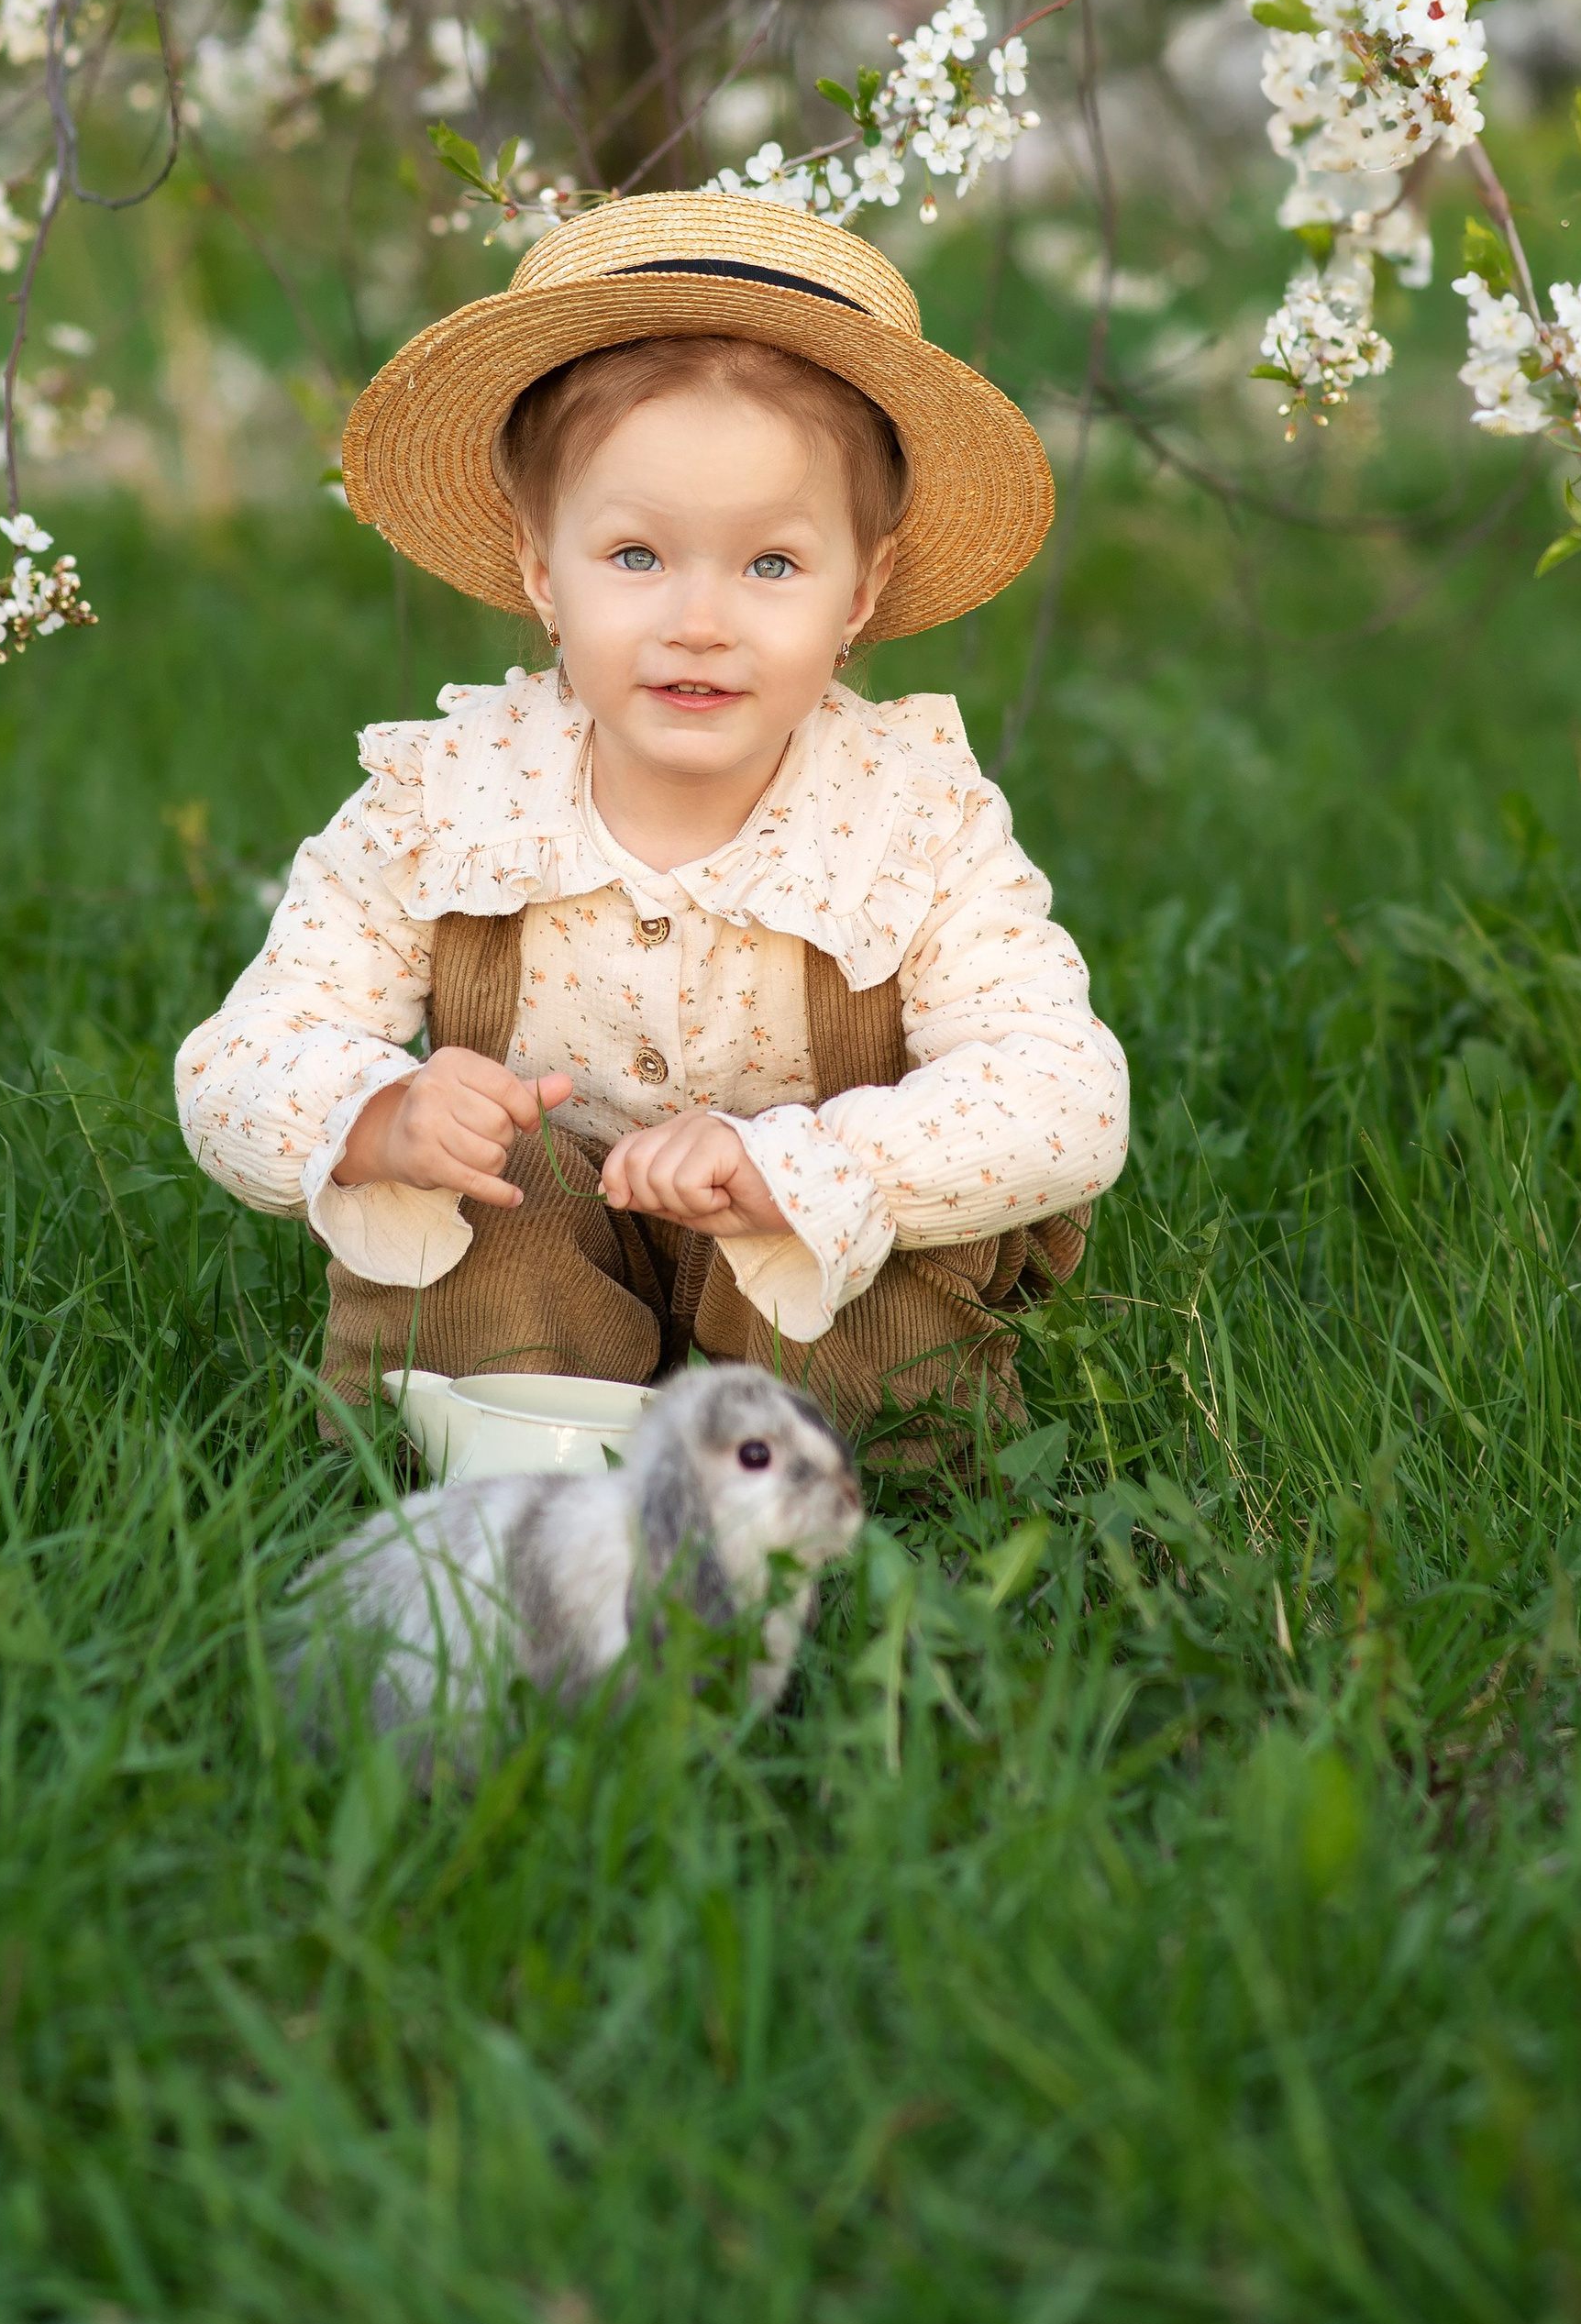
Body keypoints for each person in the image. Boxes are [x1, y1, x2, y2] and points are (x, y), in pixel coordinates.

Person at [174, 190, 1128, 1454]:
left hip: (803, 1268)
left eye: (771, 566)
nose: (699, 620)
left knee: (874, 1305)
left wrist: (813, 1162)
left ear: (864, 589)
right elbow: (240, 1056)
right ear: (538, 569)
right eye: (635, 556)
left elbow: (1067, 1094)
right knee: (470, 1235)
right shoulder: (445, 800)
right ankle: (511, 1470)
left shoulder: (913, 822)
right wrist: (374, 1116)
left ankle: (861, 1514)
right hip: (540, 1267)